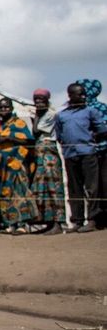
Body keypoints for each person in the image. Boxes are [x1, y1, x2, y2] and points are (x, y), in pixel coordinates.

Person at [57, 81, 107, 232]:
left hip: (88, 153)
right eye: (80, 94)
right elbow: (59, 135)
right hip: (70, 154)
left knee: (92, 187)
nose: (84, 97)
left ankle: (92, 220)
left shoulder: (91, 111)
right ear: (70, 95)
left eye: (84, 94)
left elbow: (102, 130)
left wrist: (89, 138)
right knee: (74, 188)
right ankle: (77, 221)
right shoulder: (62, 115)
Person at [0, 97, 38, 235]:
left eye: (6, 107)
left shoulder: (19, 123)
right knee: (5, 193)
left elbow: (30, 141)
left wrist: (10, 138)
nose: (3, 109)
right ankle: (10, 224)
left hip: (17, 164)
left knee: (19, 191)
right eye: (0, 107)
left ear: (12, 108)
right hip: (3, 166)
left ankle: (23, 225)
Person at [29, 89, 65, 234]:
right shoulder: (40, 114)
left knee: (53, 186)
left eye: (41, 99)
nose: (38, 102)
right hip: (40, 153)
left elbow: (36, 131)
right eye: (36, 99)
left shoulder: (50, 114)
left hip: (48, 152)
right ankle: (48, 222)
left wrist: (37, 116)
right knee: (41, 187)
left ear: (47, 100)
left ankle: (58, 223)